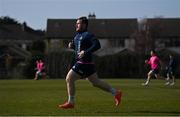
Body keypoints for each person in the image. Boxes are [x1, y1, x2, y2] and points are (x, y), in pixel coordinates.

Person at [58, 17, 122, 109]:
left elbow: (97, 45)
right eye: (76, 23)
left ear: (84, 25)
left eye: (78, 23)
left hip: (83, 63)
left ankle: (71, 102)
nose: (76, 25)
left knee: (69, 78)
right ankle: (116, 93)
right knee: (96, 82)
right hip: (87, 64)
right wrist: (72, 46)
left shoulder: (88, 35)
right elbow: (78, 50)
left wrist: (86, 52)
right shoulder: (76, 36)